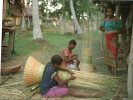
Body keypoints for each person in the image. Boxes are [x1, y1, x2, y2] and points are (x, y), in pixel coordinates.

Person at [99, 5, 124, 73]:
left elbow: (121, 30)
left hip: (114, 40)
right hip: (106, 39)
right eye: (107, 12)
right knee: (107, 53)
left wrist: (115, 31)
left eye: (110, 11)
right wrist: (106, 31)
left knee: (114, 53)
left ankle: (115, 69)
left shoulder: (117, 19)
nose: (108, 13)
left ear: (113, 12)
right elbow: (100, 27)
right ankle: (110, 69)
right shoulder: (105, 20)